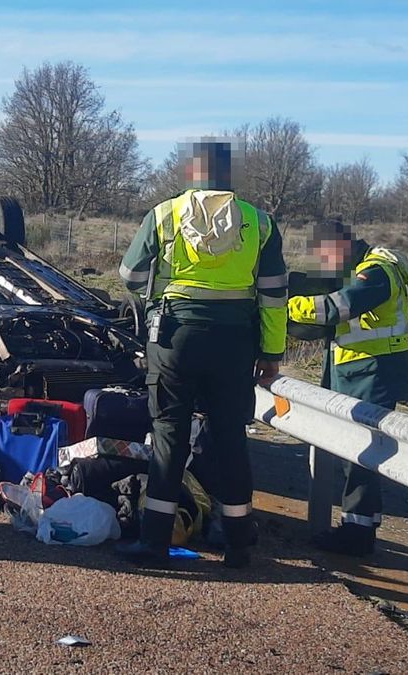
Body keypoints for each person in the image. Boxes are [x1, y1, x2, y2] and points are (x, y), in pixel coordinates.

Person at [116, 139, 288, 568]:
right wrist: (271, 351)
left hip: (176, 337)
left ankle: (154, 542)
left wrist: (160, 292)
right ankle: (238, 543)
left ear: (192, 174)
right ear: (231, 177)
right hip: (235, 342)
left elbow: (131, 276)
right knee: (230, 437)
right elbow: (273, 296)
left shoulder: (165, 214)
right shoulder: (259, 223)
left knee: (170, 434)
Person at [289, 219, 408, 556]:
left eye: (325, 256)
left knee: (361, 455)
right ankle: (360, 526)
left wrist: (286, 305)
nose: (324, 264)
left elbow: (336, 308)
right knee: (354, 455)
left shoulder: (376, 272)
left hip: (374, 374)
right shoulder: (361, 268)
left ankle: (357, 537)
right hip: (358, 372)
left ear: (339, 247)